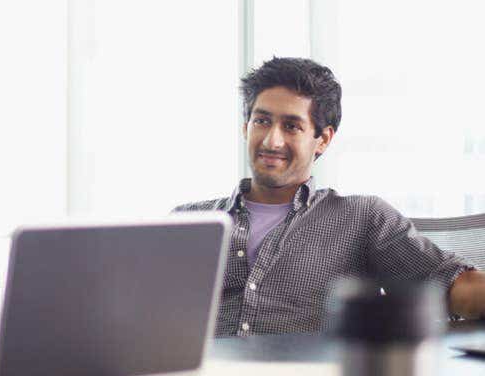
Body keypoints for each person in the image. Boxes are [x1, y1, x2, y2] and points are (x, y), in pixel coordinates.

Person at [173, 57, 485, 337]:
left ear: (322, 140)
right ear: (245, 127)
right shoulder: (187, 221)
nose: (272, 140)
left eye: (292, 126)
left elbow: (455, 286)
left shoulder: (363, 217)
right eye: (262, 120)